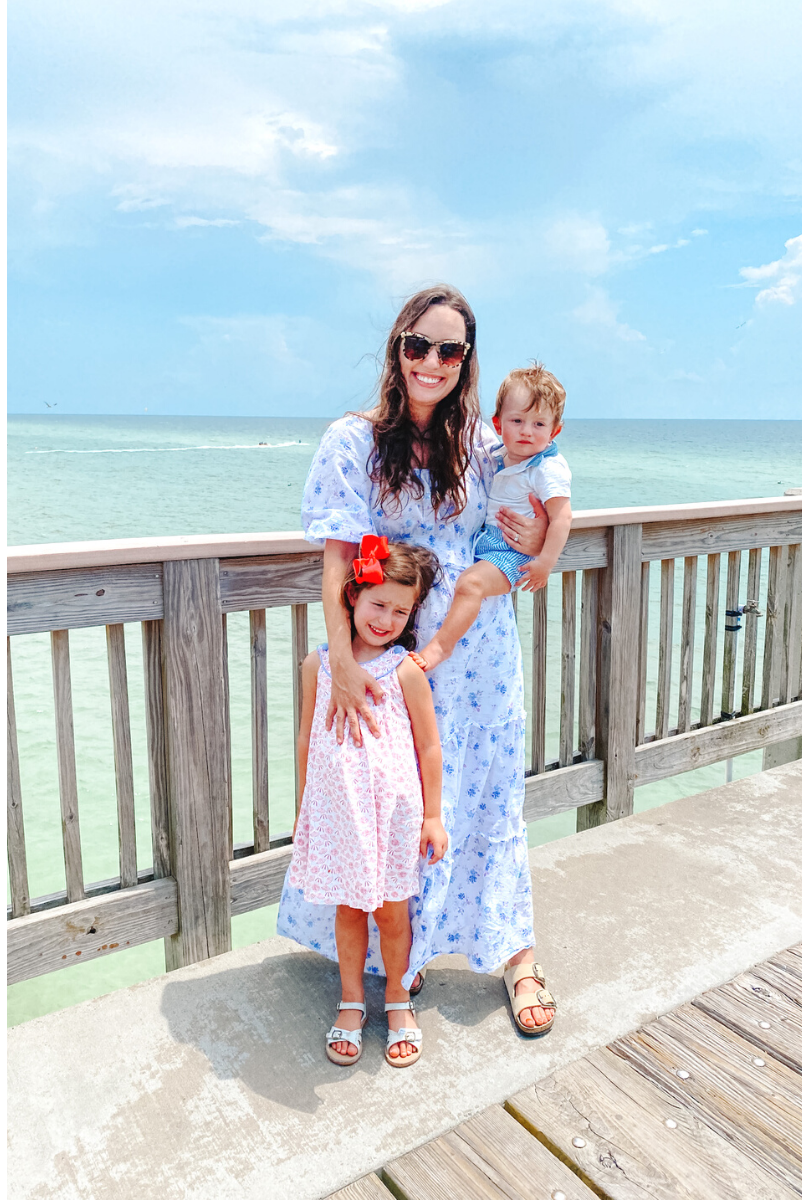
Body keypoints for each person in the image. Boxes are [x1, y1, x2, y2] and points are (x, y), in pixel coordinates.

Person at [282, 284, 557, 1040]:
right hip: (395, 658)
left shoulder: (481, 442)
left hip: (481, 651)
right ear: (396, 349)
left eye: (449, 350)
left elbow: (535, 503)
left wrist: (537, 542)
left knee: (492, 794)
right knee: (399, 801)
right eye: (417, 345)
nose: (431, 361)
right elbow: (340, 557)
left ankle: (515, 951)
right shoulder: (353, 440)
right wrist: (340, 656)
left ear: (466, 362)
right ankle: (412, 947)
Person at [286, 539, 446, 1067]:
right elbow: (307, 737)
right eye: (378, 603)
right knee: (350, 911)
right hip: (338, 816)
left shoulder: (405, 670)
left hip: (394, 818)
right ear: (351, 596)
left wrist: (433, 816)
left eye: (401, 611)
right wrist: (304, 806)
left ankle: (398, 1000)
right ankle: (351, 1001)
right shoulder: (319, 665)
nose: (387, 619)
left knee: (394, 915)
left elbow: (428, 744)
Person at [418, 364, 573, 670]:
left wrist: (545, 562)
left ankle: (439, 648)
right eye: (517, 421)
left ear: (555, 430)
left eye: (539, 424)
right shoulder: (498, 454)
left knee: (470, 585)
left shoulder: (547, 469)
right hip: (487, 544)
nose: (527, 431)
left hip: (512, 553)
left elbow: (562, 518)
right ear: (497, 423)